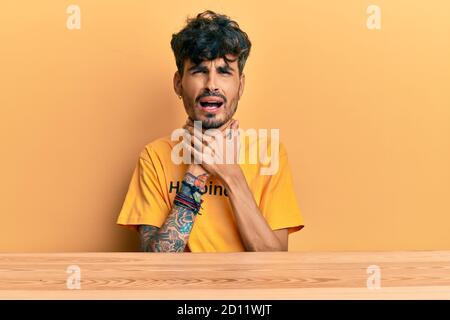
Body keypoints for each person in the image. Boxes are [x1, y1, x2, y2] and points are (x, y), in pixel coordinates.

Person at [116, 10, 304, 252]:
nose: (211, 84)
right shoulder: (155, 157)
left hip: (247, 290)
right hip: (181, 291)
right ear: (178, 83)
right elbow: (154, 266)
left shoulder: (269, 154)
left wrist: (231, 174)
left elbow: (274, 264)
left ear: (241, 85)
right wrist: (195, 173)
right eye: (199, 71)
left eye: (224, 72)